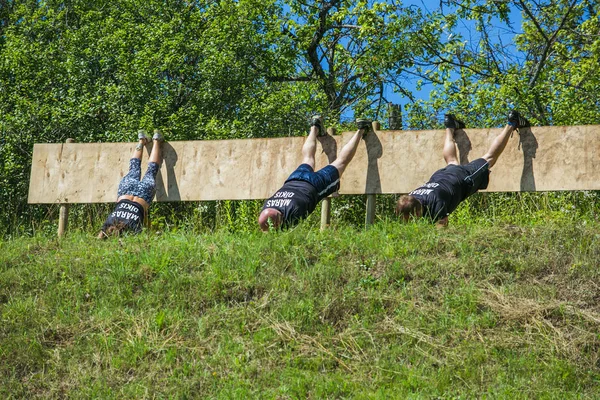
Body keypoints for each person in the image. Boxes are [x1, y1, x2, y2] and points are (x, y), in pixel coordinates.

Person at [396, 111, 531, 226]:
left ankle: (512, 123)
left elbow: (441, 230)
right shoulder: (412, 197)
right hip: (442, 176)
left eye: (410, 220)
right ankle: (450, 126)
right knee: (451, 161)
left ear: (418, 212)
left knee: (489, 159)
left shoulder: (437, 202)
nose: (408, 223)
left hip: (462, 178)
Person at [258, 116, 371, 230]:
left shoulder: (295, 213)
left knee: (340, 162)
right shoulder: (267, 206)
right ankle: (314, 127)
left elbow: (287, 233)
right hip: (294, 179)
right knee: (307, 158)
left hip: (314, 185)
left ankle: (361, 129)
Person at [98, 130, 164, 238]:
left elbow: (144, 237)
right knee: (134, 166)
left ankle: (156, 140)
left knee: (152, 170)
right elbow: (99, 238)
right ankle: (142, 140)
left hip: (143, 195)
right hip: (126, 191)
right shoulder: (109, 222)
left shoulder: (133, 227)